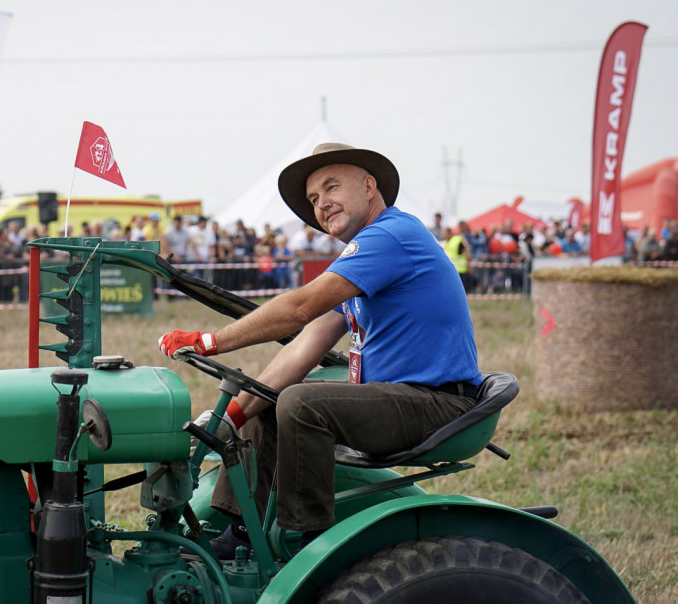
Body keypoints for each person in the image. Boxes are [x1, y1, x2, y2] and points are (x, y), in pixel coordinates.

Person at [157, 143, 481, 557]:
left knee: (301, 402)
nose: (322, 204)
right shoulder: (367, 253)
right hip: (397, 397)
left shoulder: (391, 235)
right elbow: (305, 344)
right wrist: (233, 416)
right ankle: (241, 533)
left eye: (331, 188)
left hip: (436, 400)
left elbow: (300, 307)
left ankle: (305, 545)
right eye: (313, 199)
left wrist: (210, 341)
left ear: (368, 186)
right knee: (269, 399)